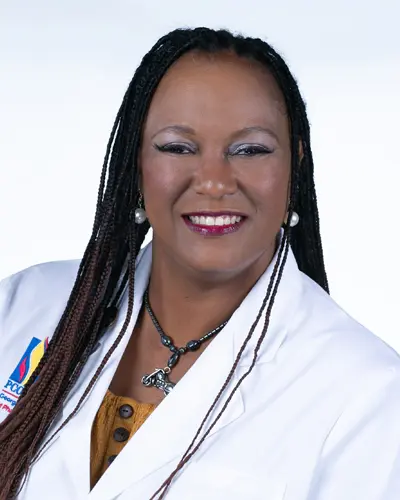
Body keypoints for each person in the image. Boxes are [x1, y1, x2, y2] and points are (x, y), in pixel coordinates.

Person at [0, 27, 399, 500]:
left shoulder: (367, 394)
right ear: (136, 163)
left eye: (249, 150)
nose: (213, 181)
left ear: (295, 164)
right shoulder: (23, 304)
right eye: (177, 147)